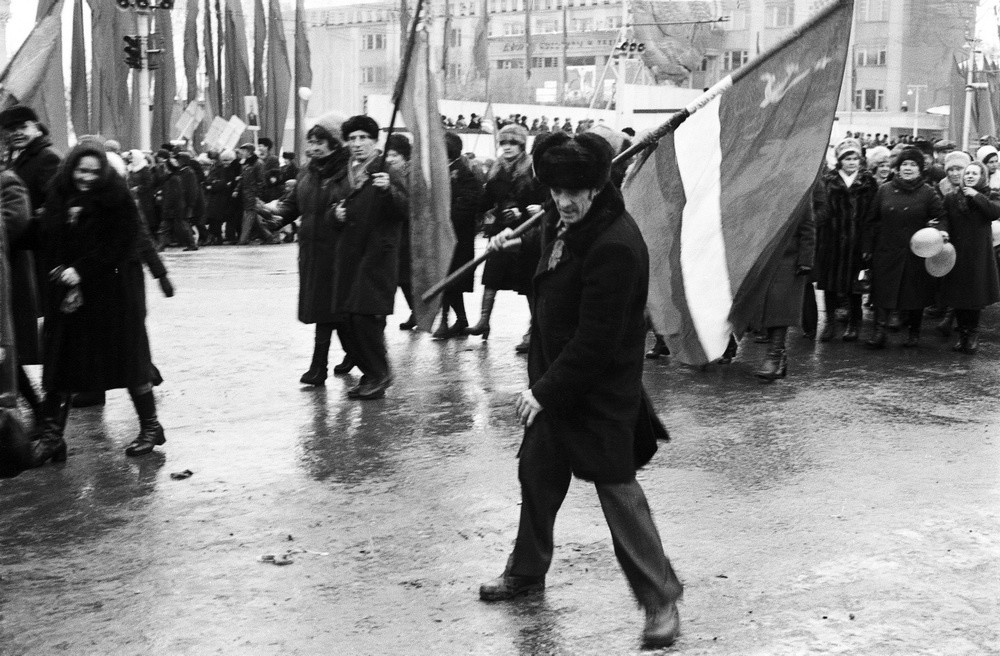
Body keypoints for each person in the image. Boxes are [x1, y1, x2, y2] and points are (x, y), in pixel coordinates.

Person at [479, 132, 682, 649]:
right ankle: (526, 572)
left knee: (618, 494)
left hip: (598, 393)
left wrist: (544, 392)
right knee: (537, 475)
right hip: (554, 382)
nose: (564, 202)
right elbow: (549, 274)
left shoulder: (616, 245)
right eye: (556, 191)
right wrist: (509, 250)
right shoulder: (559, 219)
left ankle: (661, 601)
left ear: (598, 187)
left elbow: (597, 342)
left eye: (575, 193)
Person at [30, 143, 167, 465]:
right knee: (61, 363)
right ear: (70, 169)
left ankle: (151, 427)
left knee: (130, 363)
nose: (87, 177)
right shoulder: (58, 195)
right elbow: (48, 238)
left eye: (94, 172)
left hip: (115, 295)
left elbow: (123, 243)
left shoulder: (117, 198)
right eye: (82, 170)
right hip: (69, 296)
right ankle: (52, 438)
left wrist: (83, 270)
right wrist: (58, 268)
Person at [272, 113, 355, 385]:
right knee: (330, 310)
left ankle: (319, 366)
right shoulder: (308, 170)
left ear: (335, 142)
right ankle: (355, 353)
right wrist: (274, 217)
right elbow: (294, 204)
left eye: (319, 142)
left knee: (329, 310)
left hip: (338, 251)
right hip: (311, 251)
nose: (313, 147)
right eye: (311, 142)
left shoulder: (349, 171)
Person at [334, 115, 407, 400]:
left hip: (377, 255)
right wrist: (334, 214)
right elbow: (332, 204)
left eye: (363, 137)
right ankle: (369, 372)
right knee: (346, 319)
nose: (357, 143)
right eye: (352, 138)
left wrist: (388, 190)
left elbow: (405, 209)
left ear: (375, 141)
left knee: (366, 317)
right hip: (349, 254)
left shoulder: (387, 170)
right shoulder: (347, 172)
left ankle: (379, 374)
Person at [465, 123, 546, 346]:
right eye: (503, 143)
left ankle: (534, 329)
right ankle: (483, 321)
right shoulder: (496, 169)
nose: (507, 147)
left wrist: (528, 210)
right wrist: (482, 209)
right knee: (492, 278)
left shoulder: (533, 169)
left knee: (529, 283)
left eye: (513, 143)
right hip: (501, 231)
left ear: (522, 145)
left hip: (526, 234)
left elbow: (543, 198)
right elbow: (486, 200)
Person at [863, 146, 944, 348]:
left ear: (920, 169)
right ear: (898, 168)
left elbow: (941, 217)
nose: (908, 168)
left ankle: (914, 333)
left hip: (916, 252)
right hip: (886, 250)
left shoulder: (928, 192)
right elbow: (871, 221)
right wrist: (867, 247)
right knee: (882, 292)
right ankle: (879, 332)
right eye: (904, 164)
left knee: (914, 294)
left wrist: (940, 231)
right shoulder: (884, 190)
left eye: (913, 164)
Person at [749, 180, 816, 380]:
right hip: (763, 258)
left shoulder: (799, 189)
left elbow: (808, 227)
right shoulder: (759, 187)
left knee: (780, 308)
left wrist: (805, 260)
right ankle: (779, 354)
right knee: (766, 307)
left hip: (788, 259)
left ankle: (774, 356)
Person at [815, 138, 878, 342]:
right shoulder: (828, 181)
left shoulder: (868, 182)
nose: (851, 162)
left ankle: (854, 323)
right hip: (831, 240)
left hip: (857, 242)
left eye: (855, 158)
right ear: (839, 160)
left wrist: (868, 244)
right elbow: (822, 209)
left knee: (855, 286)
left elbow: (873, 215)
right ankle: (830, 324)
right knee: (830, 284)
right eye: (847, 158)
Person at [937, 161, 1000, 353]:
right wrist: (943, 230)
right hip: (957, 252)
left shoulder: (989, 195)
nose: (970, 176)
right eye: (968, 173)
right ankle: (962, 334)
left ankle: (972, 334)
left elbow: (994, 212)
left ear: (982, 177)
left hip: (978, 254)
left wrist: (976, 195)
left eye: (974, 173)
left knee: (975, 296)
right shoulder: (951, 197)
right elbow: (943, 217)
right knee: (958, 296)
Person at [432, 131, 483, 339]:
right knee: (447, 280)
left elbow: (470, 202)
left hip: (457, 237)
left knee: (451, 280)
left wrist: (445, 217)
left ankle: (448, 320)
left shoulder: (464, 173)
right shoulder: (440, 171)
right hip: (442, 235)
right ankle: (457, 320)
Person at [234, 143, 279, 245]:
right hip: (247, 195)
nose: (241, 152)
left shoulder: (257, 163)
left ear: (249, 152)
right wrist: (236, 190)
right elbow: (242, 179)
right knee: (255, 218)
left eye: (244, 150)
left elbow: (261, 181)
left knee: (249, 217)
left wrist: (257, 195)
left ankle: (243, 240)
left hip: (252, 195)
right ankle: (269, 237)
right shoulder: (246, 164)